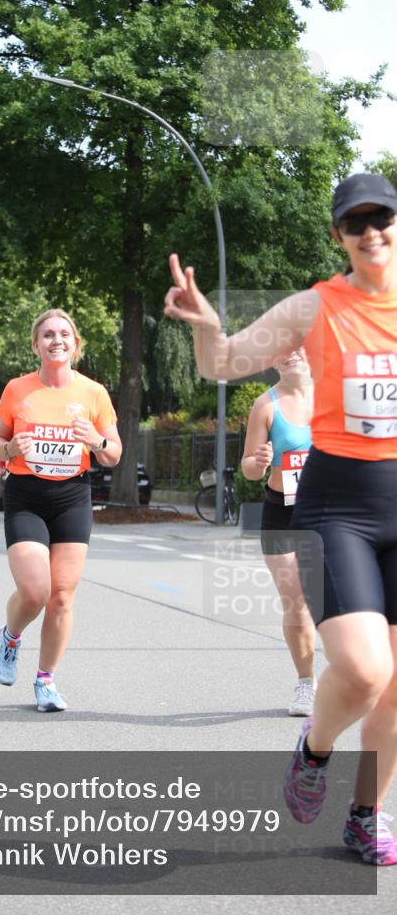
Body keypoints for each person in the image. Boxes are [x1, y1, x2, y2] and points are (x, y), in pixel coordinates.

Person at [164, 172, 397, 865]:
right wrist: (208, 327)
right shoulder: (313, 308)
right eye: (354, 224)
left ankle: (365, 814)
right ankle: (313, 749)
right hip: (337, 508)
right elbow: (226, 362)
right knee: (361, 671)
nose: (370, 233)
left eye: (380, 218)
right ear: (337, 236)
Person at [0, 308, 122, 712]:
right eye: (48, 335)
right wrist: (10, 448)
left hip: (72, 496)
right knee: (35, 591)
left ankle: (45, 680)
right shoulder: (18, 389)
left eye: (64, 334)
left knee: (61, 596)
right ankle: (10, 637)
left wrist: (96, 440)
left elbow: (113, 454)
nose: (56, 340)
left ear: (76, 344)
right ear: (36, 345)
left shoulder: (94, 393)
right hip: (26, 494)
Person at [241, 348, 317, 715]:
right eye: (281, 352)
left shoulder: (333, 397)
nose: (290, 355)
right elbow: (248, 469)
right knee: (297, 599)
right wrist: (257, 462)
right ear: (272, 361)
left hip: (331, 512)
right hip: (281, 513)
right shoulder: (265, 406)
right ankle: (306, 682)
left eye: (297, 348)